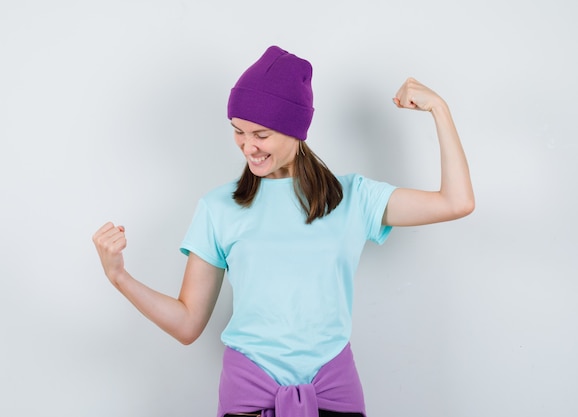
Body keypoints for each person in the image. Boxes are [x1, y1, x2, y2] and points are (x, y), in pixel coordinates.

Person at [92, 45, 474, 417]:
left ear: (296, 129)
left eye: (261, 134)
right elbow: (188, 323)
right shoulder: (218, 208)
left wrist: (439, 109)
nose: (247, 146)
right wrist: (119, 276)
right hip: (249, 396)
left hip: (334, 393)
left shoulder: (354, 198)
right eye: (238, 131)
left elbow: (456, 202)